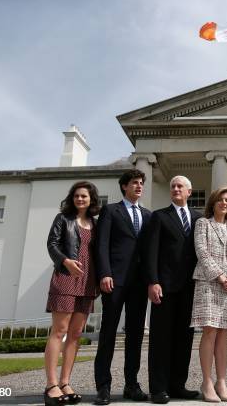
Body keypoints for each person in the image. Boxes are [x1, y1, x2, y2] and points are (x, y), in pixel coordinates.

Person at [93, 170, 151, 405]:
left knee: (135, 335)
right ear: (124, 186)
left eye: (141, 183)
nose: (139, 186)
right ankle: (103, 387)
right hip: (114, 281)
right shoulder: (110, 210)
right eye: (135, 183)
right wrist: (104, 273)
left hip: (139, 283)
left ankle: (131, 384)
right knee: (108, 334)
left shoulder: (148, 215)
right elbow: (102, 244)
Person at [144, 175, 201, 404]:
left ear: (189, 191)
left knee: (184, 339)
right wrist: (153, 281)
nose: (176, 189)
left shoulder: (199, 218)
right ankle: (158, 388)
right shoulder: (159, 216)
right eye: (173, 186)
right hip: (164, 287)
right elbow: (151, 251)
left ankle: (178, 385)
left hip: (191, 287)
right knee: (160, 339)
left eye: (180, 186)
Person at [45, 181, 100, 406]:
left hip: (87, 283)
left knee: (76, 334)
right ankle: (51, 385)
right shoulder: (63, 219)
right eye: (77, 196)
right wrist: (66, 261)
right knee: (59, 331)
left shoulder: (96, 224)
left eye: (84, 196)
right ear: (72, 198)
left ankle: (66, 382)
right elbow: (52, 244)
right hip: (66, 278)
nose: (80, 199)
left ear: (91, 200)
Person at [191, 186, 227, 402]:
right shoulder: (203, 224)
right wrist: (220, 276)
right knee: (210, 330)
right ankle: (207, 381)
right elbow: (201, 251)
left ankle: (222, 381)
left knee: (224, 332)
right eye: (220, 200)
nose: (224, 203)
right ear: (213, 202)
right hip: (208, 282)